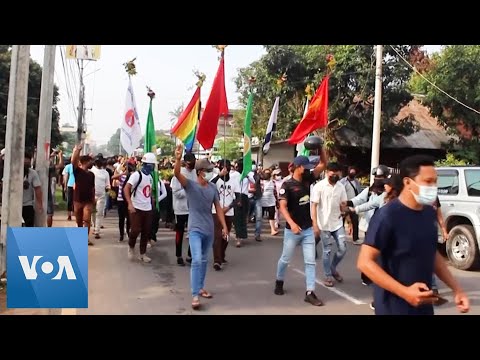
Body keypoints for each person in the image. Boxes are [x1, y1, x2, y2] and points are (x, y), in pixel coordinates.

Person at [357, 155, 470, 315]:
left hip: (423, 305)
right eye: (428, 181)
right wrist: (405, 292)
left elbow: (432, 254)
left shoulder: (428, 214)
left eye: (435, 181)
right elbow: (365, 262)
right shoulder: (388, 216)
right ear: (408, 182)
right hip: (393, 307)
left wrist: (457, 289)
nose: (433, 187)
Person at [173, 144, 228, 310]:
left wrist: (224, 226)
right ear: (200, 172)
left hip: (209, 230)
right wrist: (177, 158)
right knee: (197, 260)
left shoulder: (212, 188)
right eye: (208, 170)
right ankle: (195, 295)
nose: (210, 172)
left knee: (204, 260)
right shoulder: (190, 185)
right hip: (195, 229)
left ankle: (201, 287)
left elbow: (218, 207)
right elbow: (176, 173)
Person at [274, 155, 327, 307]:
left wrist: (320, 147)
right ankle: (279, 281)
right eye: (305, 167)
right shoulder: (287, 185)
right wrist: (292, 223)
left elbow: (323, 164)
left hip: (307, 229)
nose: (308, 170)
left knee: (310, 262)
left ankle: (310, 292)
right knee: (285, 258)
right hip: (292, 231)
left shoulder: (307, 179)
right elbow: (282, 207)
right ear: (298, 167)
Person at [311, 162, 348, 288]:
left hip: (337, 223)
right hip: (323, 224)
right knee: (326, 250)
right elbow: (314, 206)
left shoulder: (341, 187)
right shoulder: (319, 187)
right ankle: (328, 276)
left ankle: (333, 268)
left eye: (337, 172)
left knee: (343, 248)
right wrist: (315, 224)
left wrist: (345, 211)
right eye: (332, 172)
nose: (335, 175)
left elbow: (343, 204)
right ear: (327, 172)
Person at [123, 152, 158, 263]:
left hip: (147, 208)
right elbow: (126, 189)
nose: (153, 167)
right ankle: (131, 246)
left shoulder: (151, 177)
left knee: (146, 231)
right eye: (152, 165)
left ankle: (142, 254)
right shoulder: (136, 175)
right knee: (135, 230)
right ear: (147, 164)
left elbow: (149, 192)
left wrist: (152, 203)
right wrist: (130, 203)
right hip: (136, 207)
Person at [210, 159, 240, 270]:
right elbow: (209, 185)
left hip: (229, 211)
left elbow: (238, 199)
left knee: (225, 236)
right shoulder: (216, 179)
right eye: (222, 167)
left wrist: (228, 207)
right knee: (217, 235)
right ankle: (217, 261)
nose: (225, 169)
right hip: (216, 211)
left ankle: (221, 255)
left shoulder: (234, 181)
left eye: (227, 167)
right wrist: (219, 175)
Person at [171, 152, 196, 266]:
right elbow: (176, 193)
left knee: (193, 232)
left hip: (193, 208)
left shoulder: (196, 173)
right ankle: (178, 255)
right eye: (190, 164)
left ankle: (190, 255)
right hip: (181, 208)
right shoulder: (178, 173)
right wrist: (188, 189)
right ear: (185, 163)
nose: (191, 166)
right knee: (180, 232)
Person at [71, 144, 95, 245]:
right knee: (79, 221)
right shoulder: (77, 171)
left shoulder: (91, 174)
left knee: (87, 219)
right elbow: (73, 161)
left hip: (88, 201)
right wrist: (77, 151)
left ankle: (85, 238)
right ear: (85, 162)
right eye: (90, 161)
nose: (92, 163)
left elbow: (92, 187)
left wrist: (93, 199)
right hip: (77, 200)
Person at [339, 166, 362, 242]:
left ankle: (355, 238)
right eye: (351, 172)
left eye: (354, 172)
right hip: (344, 205)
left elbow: (359, 193)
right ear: (348, 172)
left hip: (353, 205)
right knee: (341, 222)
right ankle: (340, 238)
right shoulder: (343, 181)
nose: (352, 173)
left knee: (355, 221)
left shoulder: (357, 182)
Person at [22, 151, 43, 227]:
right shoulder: (13, 171)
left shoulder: (32, 173)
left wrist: (40, 204)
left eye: (27, 164)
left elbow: (38, 189)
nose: (26, 166)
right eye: (24, 163)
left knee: (29, 224)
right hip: (14, 204)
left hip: (27, 204)